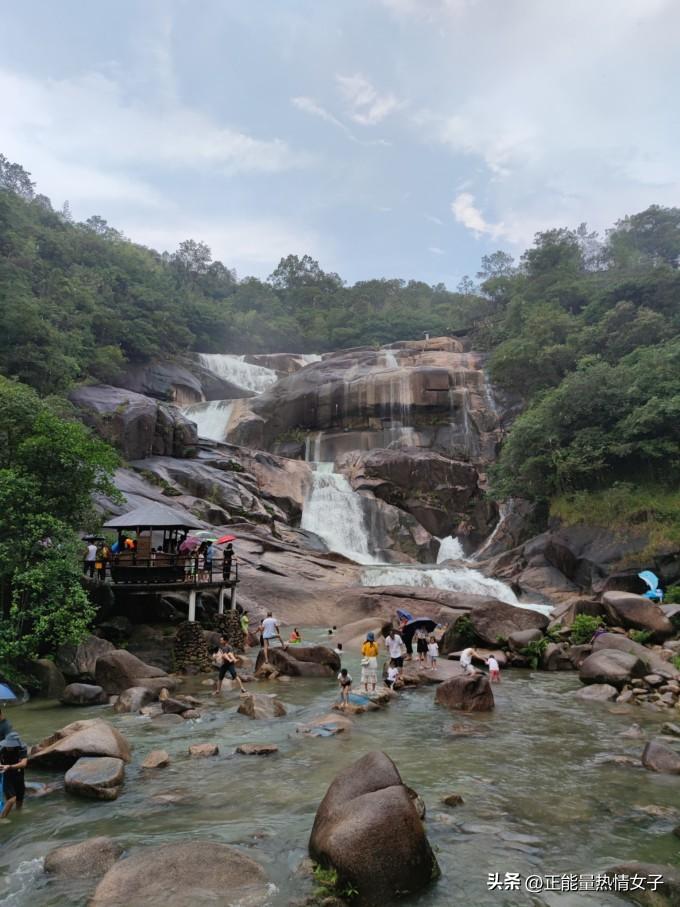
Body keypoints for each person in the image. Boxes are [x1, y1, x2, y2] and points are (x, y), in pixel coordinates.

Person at [0, 731, 28, 819]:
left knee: (20, 799)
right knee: (12, 799)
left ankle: (18, 813)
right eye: (7, 745)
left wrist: (10, 766)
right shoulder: (2, 748)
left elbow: (24, 763)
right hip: (6, 775)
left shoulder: (22, 748)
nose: (8, 747)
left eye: (10, 745)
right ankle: (2, 818)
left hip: (19, 774)